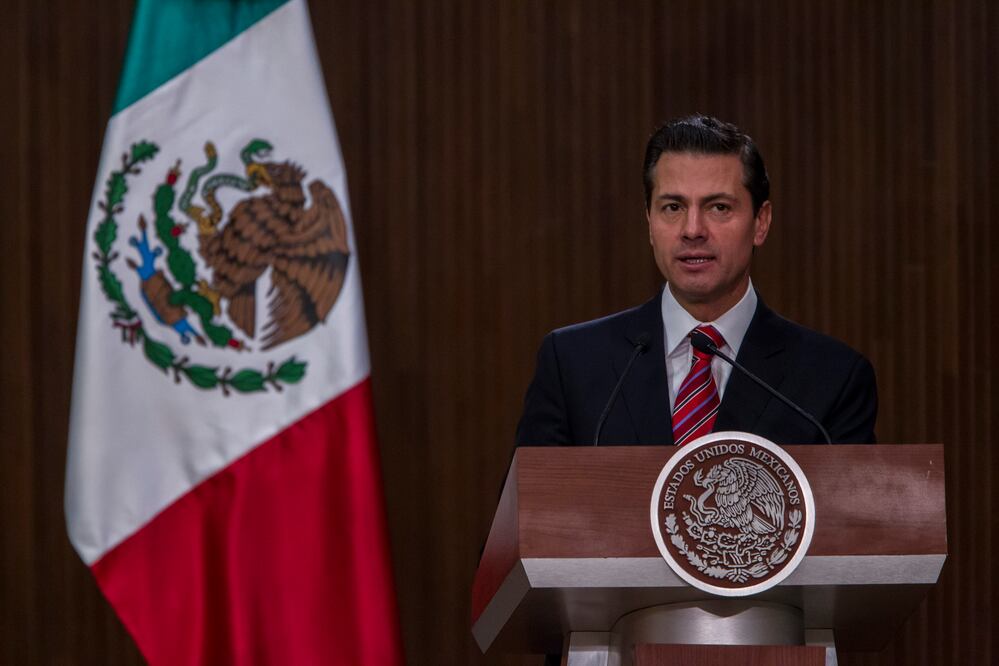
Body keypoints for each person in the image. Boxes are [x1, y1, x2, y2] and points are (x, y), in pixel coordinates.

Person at [516, 114, 877, 447]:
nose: (692, 231)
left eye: (718, 207)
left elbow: (853, 517)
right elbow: (527, 513)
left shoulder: (832, 377)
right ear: (649, 222)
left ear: (761, 222)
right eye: (672, 207)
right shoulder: (573, 363)